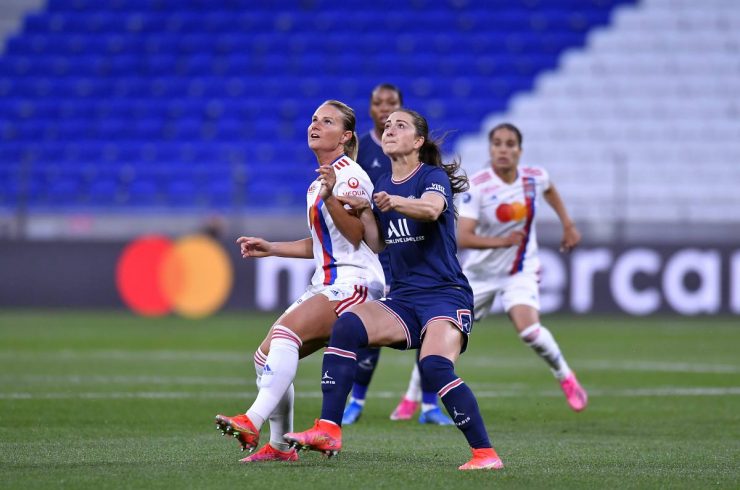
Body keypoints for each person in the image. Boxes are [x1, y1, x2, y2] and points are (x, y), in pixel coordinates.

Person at [284, 109, 504, 471]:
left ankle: (485, 454)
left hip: (444, 296)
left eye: (400, 126)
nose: (389, 130)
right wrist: (367, 213)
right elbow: (378, 244)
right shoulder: (382, 181)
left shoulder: (431, 177)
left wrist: (392, 203)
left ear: (417, 141)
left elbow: (433, 211)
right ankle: (328, 429)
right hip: (403, 298)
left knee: (434, 366)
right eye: (386, 126)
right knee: (348, 325)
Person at [214, 100, 385, 463]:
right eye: (313, 119)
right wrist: (271, 247)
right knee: (264, 360)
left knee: (285, 335)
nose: (315, 125)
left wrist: (332, 195)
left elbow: (357, 235)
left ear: (346, 135)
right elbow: (324, 242)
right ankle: (279, 448)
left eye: (327, 121)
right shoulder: (320, 181)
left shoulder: (348, 175)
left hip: (355, 282)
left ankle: (252, 419)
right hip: (326, 281)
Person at [343, 83, 453, 426]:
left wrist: (396, 204)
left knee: (429, 323)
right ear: (372, 108)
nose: (384, 112)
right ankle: (356, 400)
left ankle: (430, 404)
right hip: (381, 250)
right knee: (368, 324)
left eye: (392, 106)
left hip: (418, 250)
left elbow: (431, 207)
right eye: (378, 104)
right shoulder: (359, 149)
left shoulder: (424, 169)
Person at [457, 122, 587, 411]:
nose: (504, 149)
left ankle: (565, 375)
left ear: (520, 150)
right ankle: (414, 398)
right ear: (490, 149)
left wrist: (568, 224)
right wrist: (501, 242)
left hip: (519, 270)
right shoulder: (476, 186)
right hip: (478, 274)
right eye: (498, 143)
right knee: (445, 331)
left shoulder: (533, 178)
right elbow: (463, 237)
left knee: (529, 331)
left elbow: (550, 189)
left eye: (510, 144)